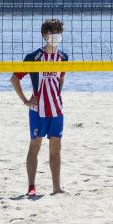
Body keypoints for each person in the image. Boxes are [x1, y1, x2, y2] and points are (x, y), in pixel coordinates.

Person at [9, 18, 68, 197]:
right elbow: (14, 78)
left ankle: (56, 188)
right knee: (35, 147)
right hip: (38, 111)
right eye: (52, 33)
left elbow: (61, 78)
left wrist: (57, 94)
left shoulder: (63, 57)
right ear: (45, 35)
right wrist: (26, 100)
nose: (56, 36)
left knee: (55, 151)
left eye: (58, 33)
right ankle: (31, 186)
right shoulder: (34, 57)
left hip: (56, 110)